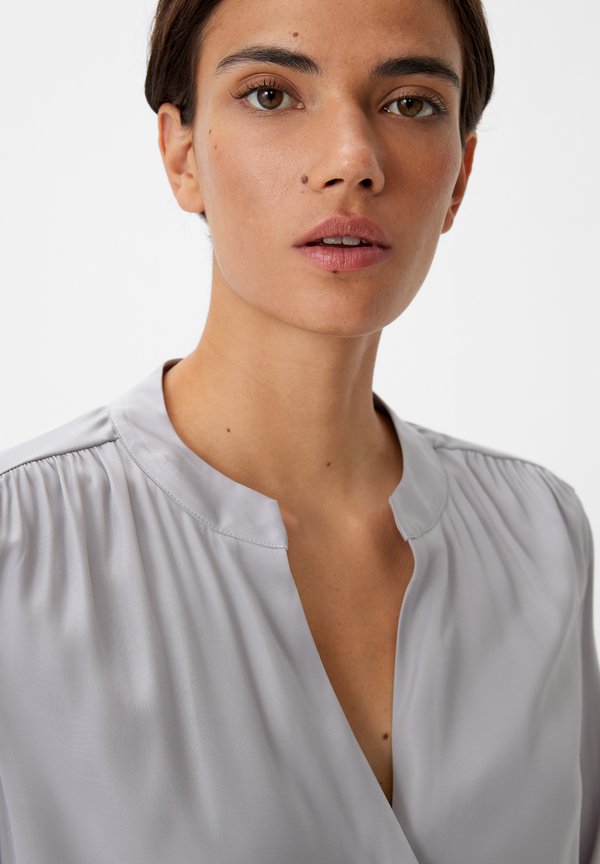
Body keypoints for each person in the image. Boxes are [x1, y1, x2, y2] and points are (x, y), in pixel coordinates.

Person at [0, 0, 598, 861]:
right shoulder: (22, 553)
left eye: (411, 103)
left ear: (461, 175)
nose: (353, 161)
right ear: (181, 154)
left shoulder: (541, 535)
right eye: (271, 95)